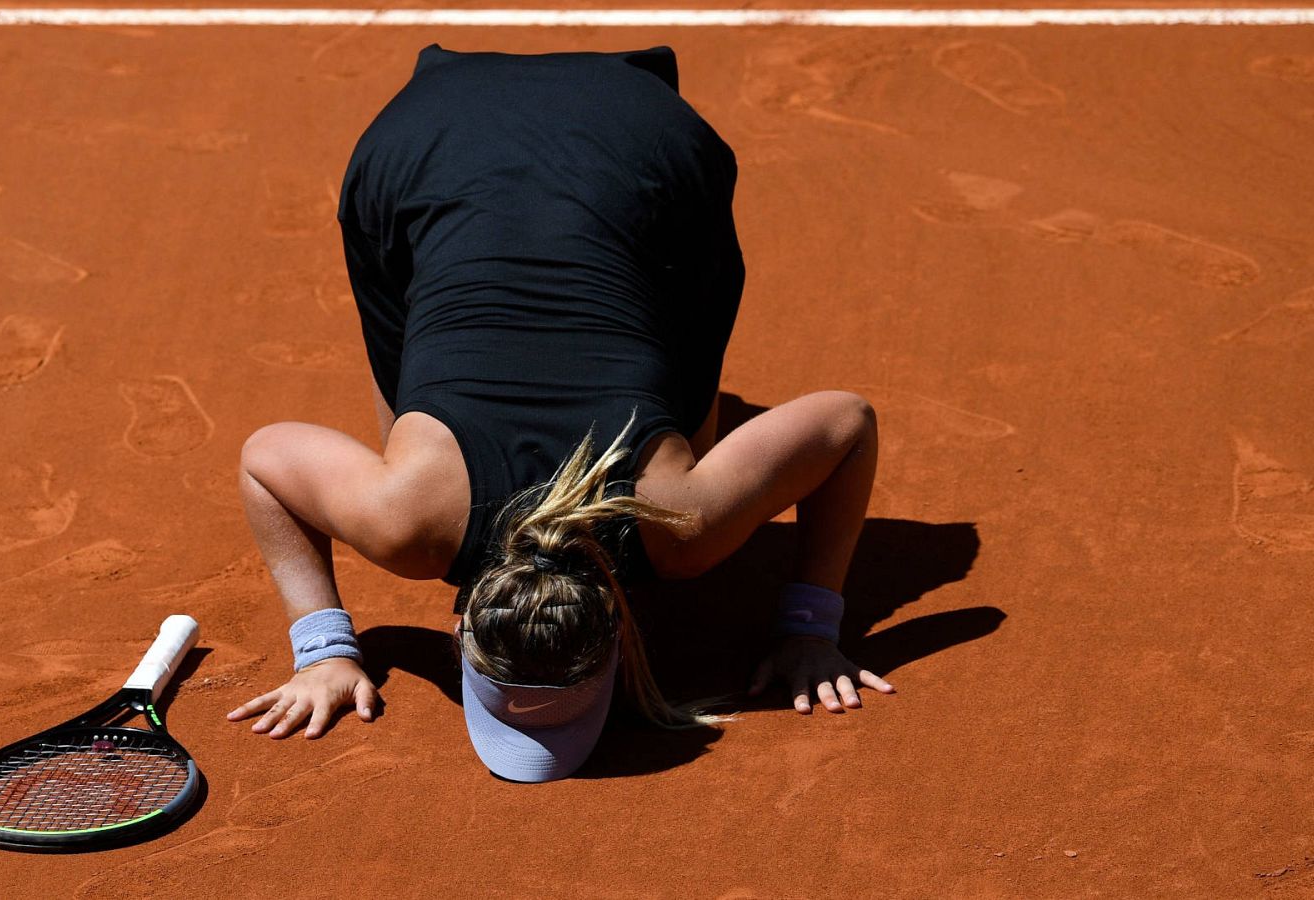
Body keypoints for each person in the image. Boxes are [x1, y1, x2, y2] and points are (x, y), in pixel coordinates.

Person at [227, 43, 893, 783]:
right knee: (427, 426)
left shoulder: (678, 523)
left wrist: (811, 630)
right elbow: (265, 458)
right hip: (437, 140)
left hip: (609, 144)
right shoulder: (408, 518)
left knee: (677, 429)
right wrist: (323, 648)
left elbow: (846, 425)